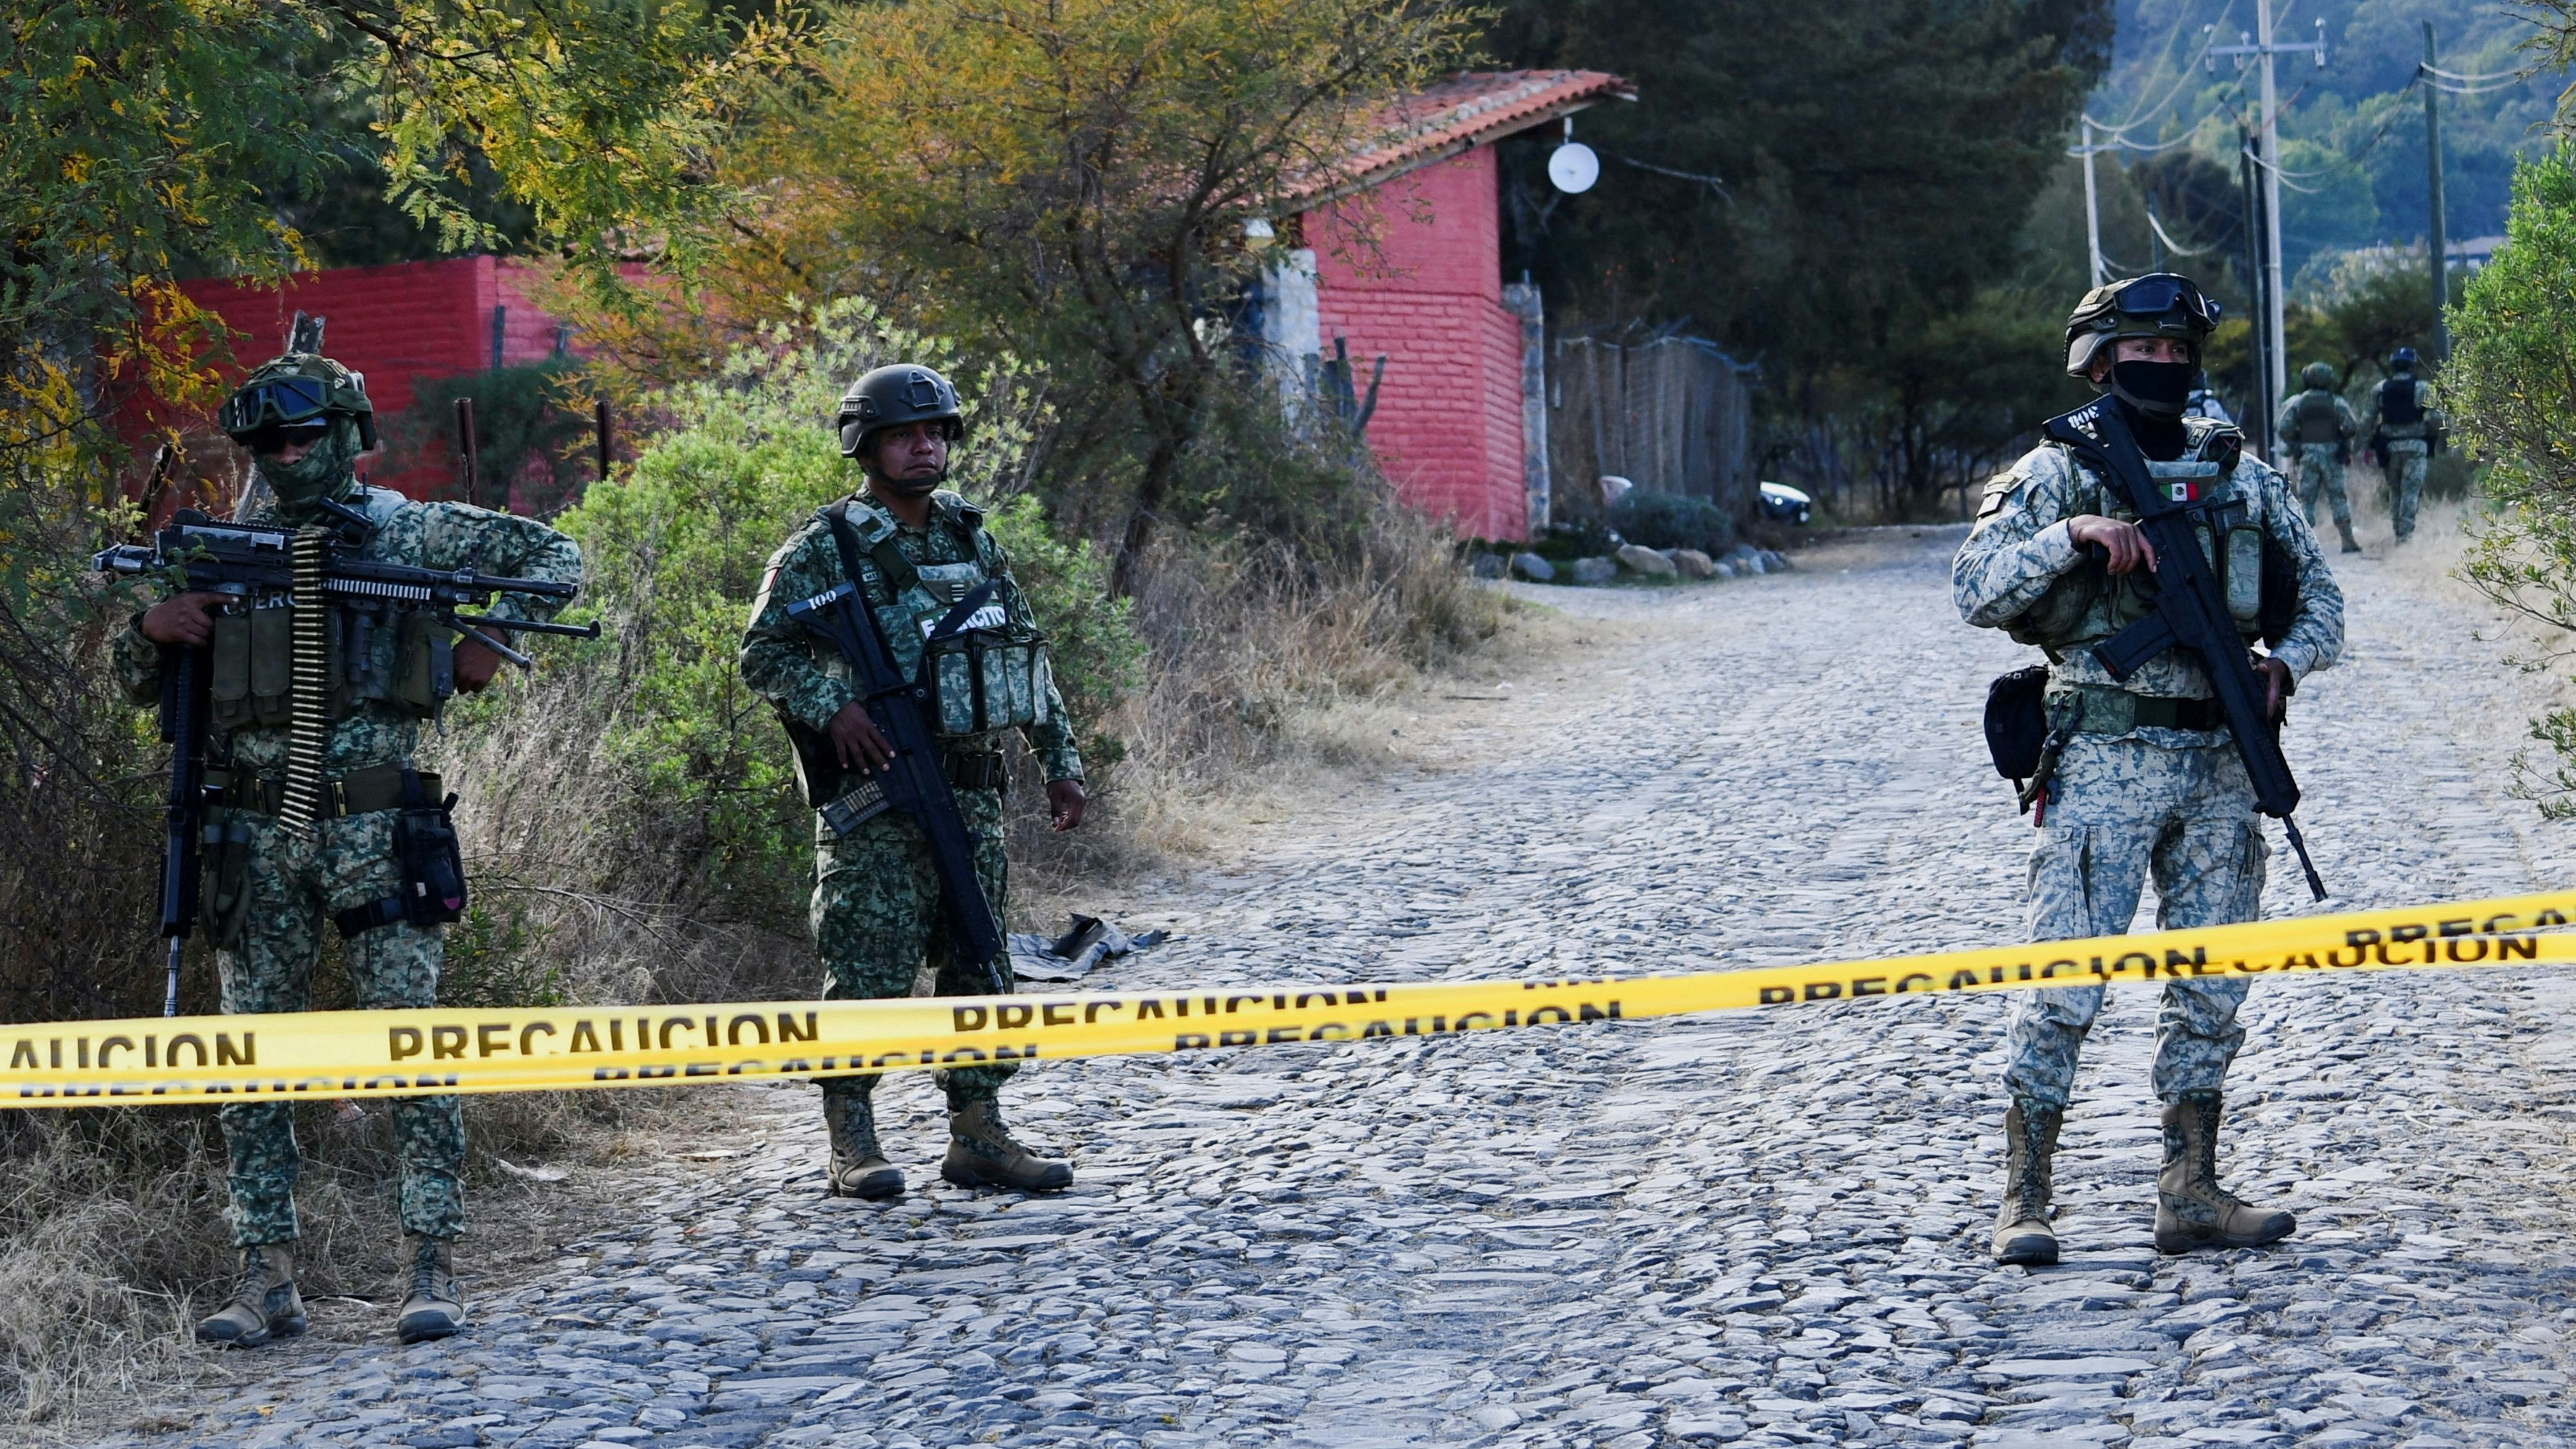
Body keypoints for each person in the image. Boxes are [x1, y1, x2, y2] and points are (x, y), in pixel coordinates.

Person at [115, 352, 583, 1346]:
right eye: (269, 443)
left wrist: (489, 641)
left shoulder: (409, 530)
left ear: (348, 436)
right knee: (251, 1060)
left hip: (378, 828)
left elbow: (557, 557)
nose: (288, 455)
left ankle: (432, 1262)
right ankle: (266, 1274)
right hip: (255, 834)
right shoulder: (218, 548)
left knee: (408, 1044)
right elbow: (133, 670)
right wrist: (155, 624)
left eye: (305, 436)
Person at [1953, 274, 2345, 1265]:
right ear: (2099, 363)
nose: (2164, 366)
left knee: (2212, 983)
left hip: (2221, 763)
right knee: (2063, 980)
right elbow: (1975, 586)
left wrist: (2285, 663)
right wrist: (2074, 535)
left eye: (2178, 353)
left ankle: (2191, 1190)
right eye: (2144, 351)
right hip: (2104, 760)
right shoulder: (2058, 472)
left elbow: (2322, 601)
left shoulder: (2238, 475)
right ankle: (2025, 1196)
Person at [741, 364, 1088, 1200]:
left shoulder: (972, 539)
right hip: (878, 798)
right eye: (904, 435)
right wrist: (834, 708)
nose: (924, 447)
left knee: (979, 960)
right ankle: (852, 1142)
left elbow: (1022, 656)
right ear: (866, 447)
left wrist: (1061, 761)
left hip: (969, 795)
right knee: (867, 967)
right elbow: (764, 652)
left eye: (936, 432)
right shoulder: (825, 546)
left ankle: (979, 1133)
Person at [2273, 361, 2362, 554]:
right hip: (2332, 455)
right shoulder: (2336, 402)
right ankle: (2348, 541)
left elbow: (2283, 427)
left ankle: (2302, 545)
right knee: (2338, 498)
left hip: (2308, 455)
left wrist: (2296, 443)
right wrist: (2340, 439)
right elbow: (2352, 426)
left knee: (2307, 500)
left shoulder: (2298, 402)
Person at [2364, 346, 2443, 544]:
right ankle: (2405, 536)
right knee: (2411, 492)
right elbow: (2436, 418)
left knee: (2396, 491)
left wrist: (2364, 445)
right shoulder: (2423, 388)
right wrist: (2430, 433)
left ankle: (2397, 531)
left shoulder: (2380, 388)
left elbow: (2367, 420)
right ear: (2412, 366)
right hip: (2416, 447)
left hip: (2389, 449)